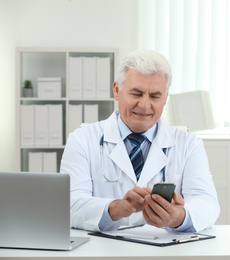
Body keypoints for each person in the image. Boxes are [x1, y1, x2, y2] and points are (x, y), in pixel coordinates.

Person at [60, 49, 220, 233]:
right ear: (117, 90)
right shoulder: (82, 140)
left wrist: (178, 217)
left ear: (165, 98)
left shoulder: (189, 144)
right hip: (105, 249)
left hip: (165, 250)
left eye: (155, 96)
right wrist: (116, 208)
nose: (144, 105)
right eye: (136, 94)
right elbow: (69, 204)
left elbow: (208, 203)